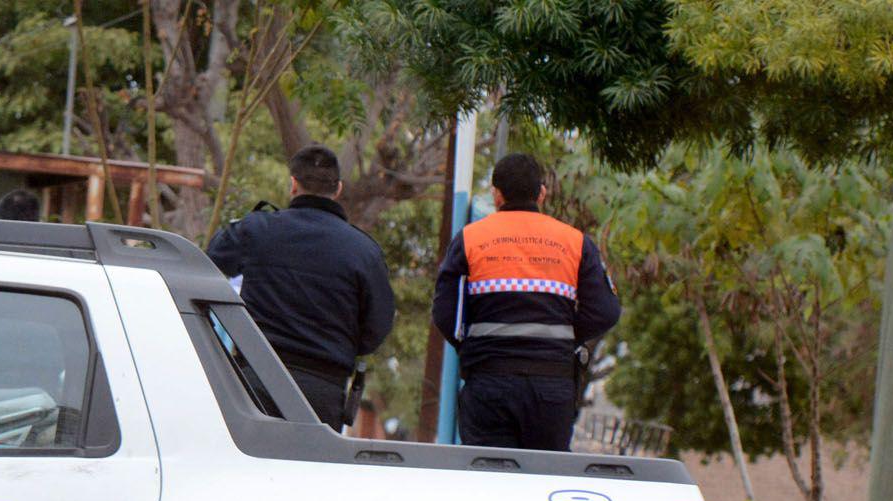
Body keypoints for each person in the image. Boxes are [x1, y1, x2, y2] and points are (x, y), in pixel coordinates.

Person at [431, 153, 620, 451]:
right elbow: (606, 311)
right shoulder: (575, 243)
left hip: (488, 382)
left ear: (496, 195)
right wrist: (566, 337)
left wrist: (472, 346)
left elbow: (445, 313)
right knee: (544, 485)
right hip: (551, 388)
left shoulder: (470, 239)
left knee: (490, 482)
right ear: (542, 194)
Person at [207, 144, 394, 429]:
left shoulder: (257, 229)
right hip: (323, 390)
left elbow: (210, 263)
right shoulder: (364, 251)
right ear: (338, 189)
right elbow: (377, 326)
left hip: (256, 380)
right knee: (310, 472)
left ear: (293, 184)